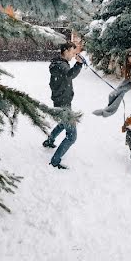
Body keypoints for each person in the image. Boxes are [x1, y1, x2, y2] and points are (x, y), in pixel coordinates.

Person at [42, 41, 86, 169]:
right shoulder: (61, 65)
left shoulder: (58, 63)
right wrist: (78, 64)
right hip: (63, 102)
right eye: (72, 52)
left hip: (61, 100)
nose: (73, 55)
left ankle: (49, 141)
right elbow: (70, 74)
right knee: (72, 136)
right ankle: (55, 161)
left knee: (63, 123)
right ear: (66, 51)